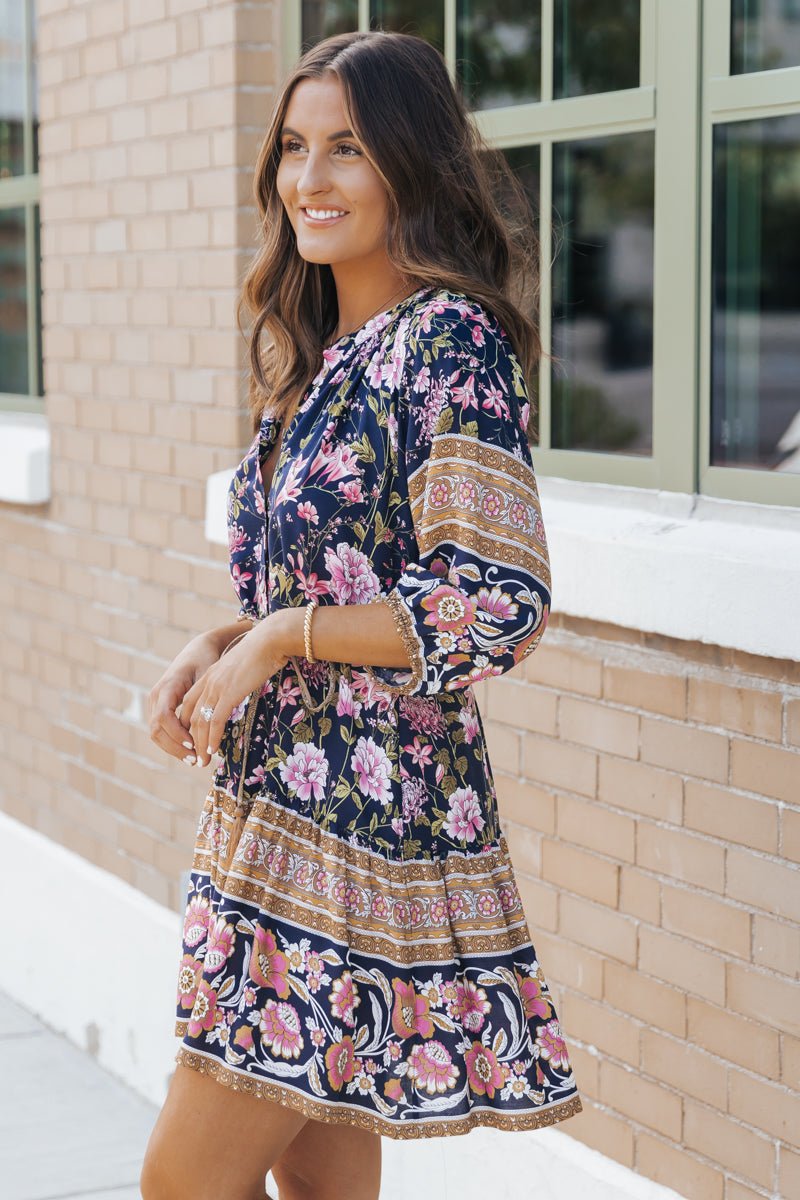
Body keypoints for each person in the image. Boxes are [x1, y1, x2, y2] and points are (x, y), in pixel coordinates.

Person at [141, 28, 582, 1200]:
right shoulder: (322, 358)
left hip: (351, 834)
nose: (309, 180)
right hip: (279, 806)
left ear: (407, 164)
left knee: (180, 1184)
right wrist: (227, 640)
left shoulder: (446, 341)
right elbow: (326, 585)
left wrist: (282, 637)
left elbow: (497, 601)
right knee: (320, 1189)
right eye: (293, 147)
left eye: (345, 148)